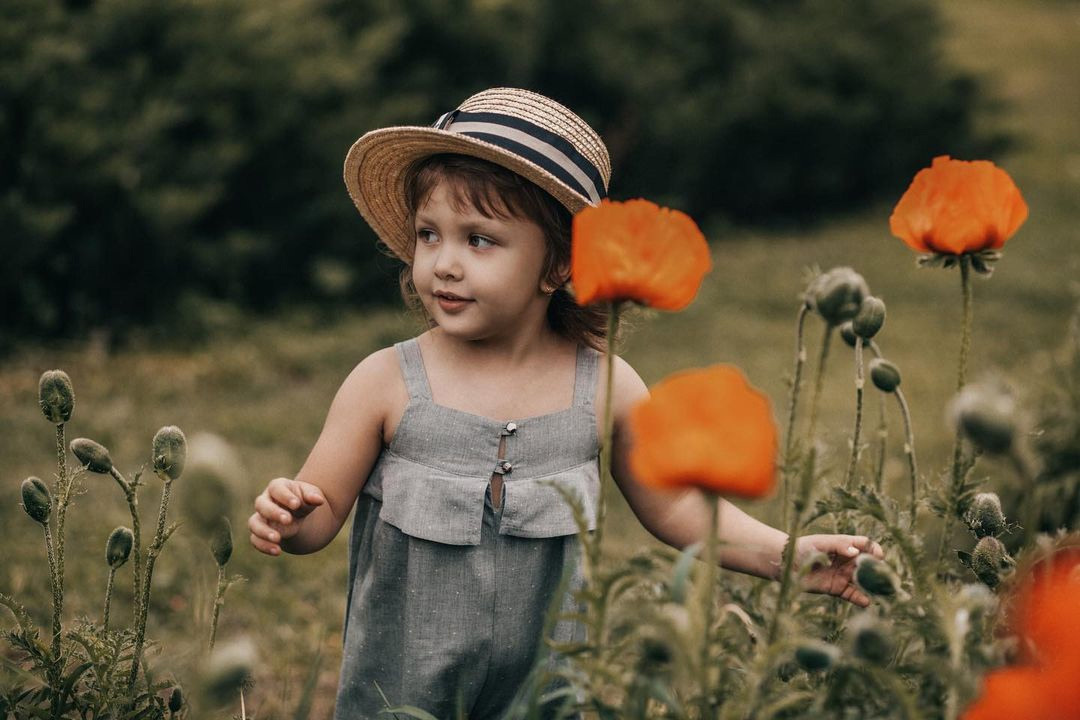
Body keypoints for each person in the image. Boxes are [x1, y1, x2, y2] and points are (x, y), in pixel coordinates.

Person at [248, 87, 884, 719]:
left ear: (557, 265)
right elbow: (319, 514)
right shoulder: (386, 382)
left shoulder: (604, 387)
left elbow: (678, 506)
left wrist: (789, 556)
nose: (444, 263)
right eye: (429, 234)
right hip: (397, 702)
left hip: (542, 702)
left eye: (479, 240)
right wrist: (291, 516)